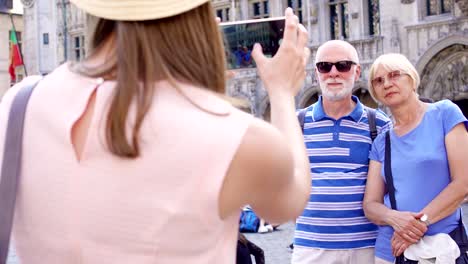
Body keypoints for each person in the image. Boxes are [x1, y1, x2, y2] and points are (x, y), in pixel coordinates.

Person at [0, 2, 312, 263]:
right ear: (198, 17)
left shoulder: (19, 105)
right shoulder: (243, 139)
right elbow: (288, 201)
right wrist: (282, 92)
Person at [291, 40, 391, 264]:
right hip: (311, 249)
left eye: (343, 65)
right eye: (325, 67)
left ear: (357, 72)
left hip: (367, 247)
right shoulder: (297, 123)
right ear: (316, 73)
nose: (333, 73)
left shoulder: (379, 124)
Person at [363, 53, 468, 263]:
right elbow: (370, 205)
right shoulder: (382, 141)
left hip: (441, 248)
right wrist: (396, 219)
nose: (387, 84)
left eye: (394, 75)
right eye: (378, 80)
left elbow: (463, 183)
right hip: (392, 251)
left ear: (412, 79)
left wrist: (417, 225)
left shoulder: (445, 113)